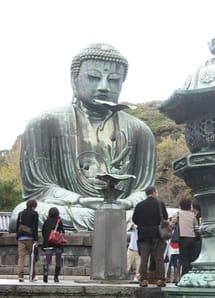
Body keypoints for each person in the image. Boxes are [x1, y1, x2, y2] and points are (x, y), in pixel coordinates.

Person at [9, 43, 156, 232]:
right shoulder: (44, 123)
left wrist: (126, 203)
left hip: (123, 211)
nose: (103, 87)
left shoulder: (140, 131)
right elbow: (39, 190)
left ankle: (111, 219)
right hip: (72, 209)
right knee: (21, 213)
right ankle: (110, 222)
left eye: (113, 80)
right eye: (94, 77)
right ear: (74, 79)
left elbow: (144, 190)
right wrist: (80, 200)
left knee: (165, 214)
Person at [132, 186, 168, 287]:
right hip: (157, 234)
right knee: (159, 258)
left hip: (144, 235)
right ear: (154, 193)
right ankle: (160, 279)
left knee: (144, 258)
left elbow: (135, 219)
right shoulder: (160, 204)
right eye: (157, 192)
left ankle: (143, 280)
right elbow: (165, 217)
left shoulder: (139, 205)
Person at [172, 197, 198, 276]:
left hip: (183, 238)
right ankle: (190, 274)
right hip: (192, 238)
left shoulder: (178, 214)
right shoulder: (192, 215)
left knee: (184, 258)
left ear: (180, 205)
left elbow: (172, 224)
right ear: (189, 205)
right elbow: (196, 227)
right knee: (191, 258)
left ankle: (184, 276)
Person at [16, 199, 39, 282]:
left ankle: (20, 276)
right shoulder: (35, 214)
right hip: (30, 239)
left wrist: (17, 237)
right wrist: (36, 240)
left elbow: (17, 226)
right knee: (31, 257)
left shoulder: (21, 213)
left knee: (21, 257)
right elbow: (35, 228)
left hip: (21, 239)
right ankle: (32, 276)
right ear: (34, 206)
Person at [42, 207, 65, 283]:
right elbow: (62, 232)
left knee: (47, 260)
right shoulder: (59, 221)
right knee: (58, 261)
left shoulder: (46, 221)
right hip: (57, 244)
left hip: (48, 244)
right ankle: (56, 277)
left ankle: (45, 274)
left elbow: (43, 232)